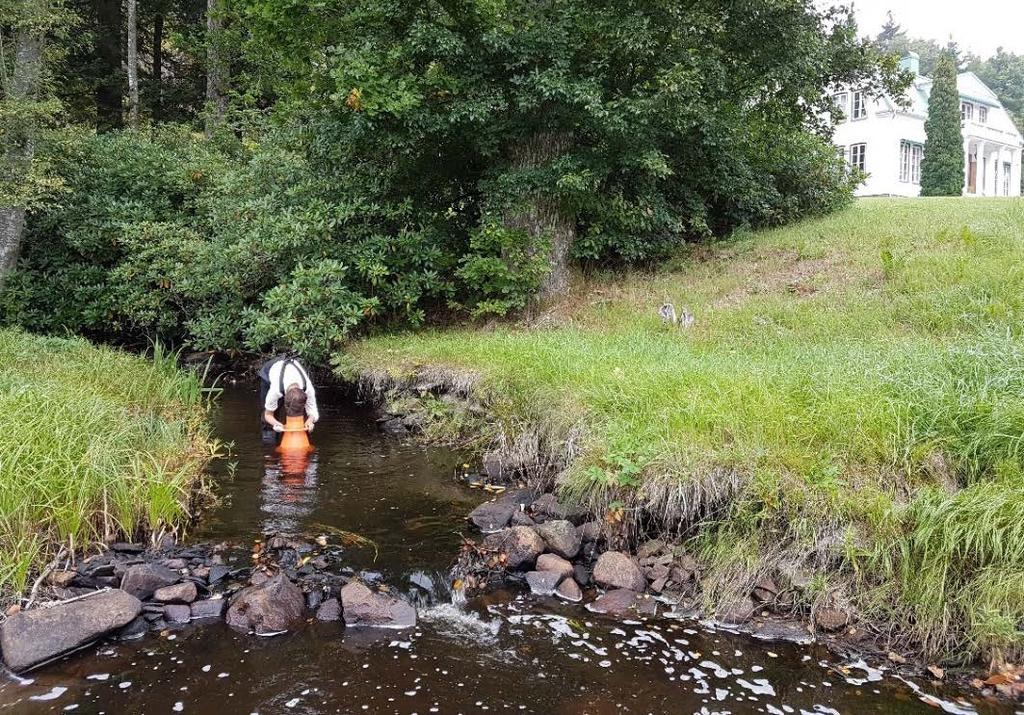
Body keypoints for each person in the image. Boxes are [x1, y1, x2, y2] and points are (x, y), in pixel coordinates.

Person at [258, 355, 319, 444]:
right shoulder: (275, 391)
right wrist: (276, 424)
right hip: (269, 373)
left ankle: (303, 434)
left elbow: (313, 412)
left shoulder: (308, 389)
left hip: (290, 370)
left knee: (306, 417)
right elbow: (267, 414)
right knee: (270, 419)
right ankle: (268, 439)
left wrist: (310, 421)